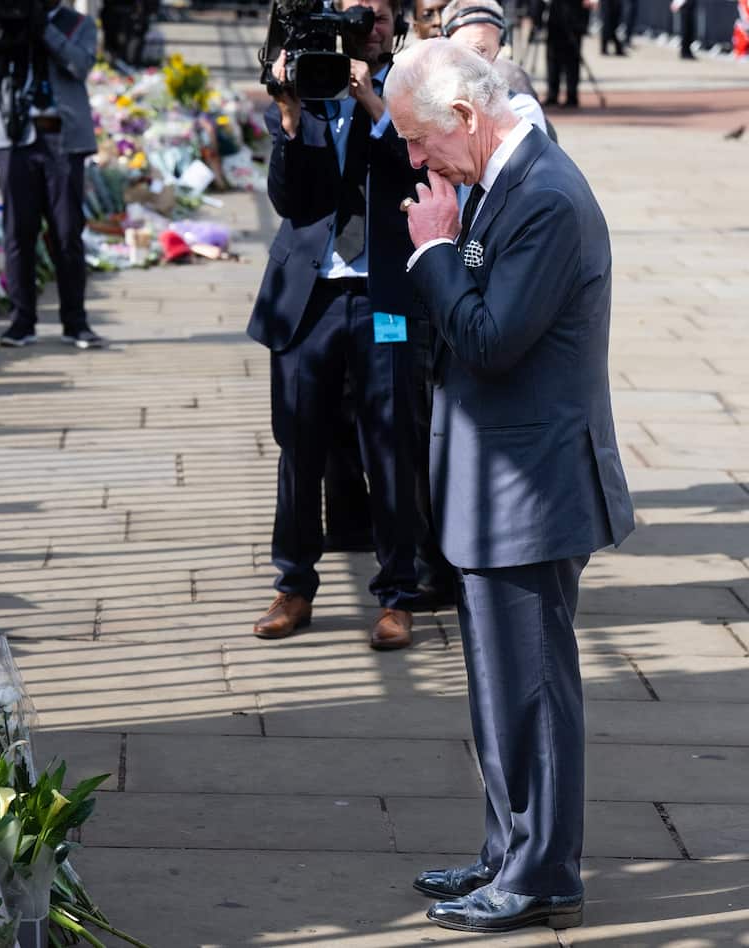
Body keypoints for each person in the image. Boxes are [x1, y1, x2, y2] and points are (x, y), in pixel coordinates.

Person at [386, 39, 635, 933]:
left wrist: (433, 254)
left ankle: (542, 873)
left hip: (532, 487)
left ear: (464, 116)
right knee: (500, 688)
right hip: (499, 482)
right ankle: (508, 853)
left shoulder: (548, 197)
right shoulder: (507, 178)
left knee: (530, 689)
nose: (416, 161)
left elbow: (491, 339)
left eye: (419, 140)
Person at [247, 0, 425, 649]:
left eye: (375, 14)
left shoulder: (409, 92)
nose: (365, 25)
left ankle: (400, 592)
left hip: (384, 299)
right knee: (300, 445)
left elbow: (419, 177)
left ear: (391, 26)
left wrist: (373, 104)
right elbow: (292, 202)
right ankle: (294, 586)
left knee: (392, 441)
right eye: (355, 11)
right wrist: (292, 113)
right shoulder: (306, 88)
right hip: (311, 298)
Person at [0, 0, 106, 349]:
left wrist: (43, 28)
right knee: (18, 231)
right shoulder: (10, 19)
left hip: (63, 138)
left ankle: (75, 322)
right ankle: (21, 322)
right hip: (15, 137)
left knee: (66, 231)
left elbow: (79, 65)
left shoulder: (77, 24)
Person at [441, 0, 548, 131]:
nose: (472, 60)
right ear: (445, 43)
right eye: (463, 49)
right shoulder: (423, 98)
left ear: (498, 50)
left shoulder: (521, 109)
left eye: (480, 50)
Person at [543, 0, 591, 108]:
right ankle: (552, 94)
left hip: (575, 14)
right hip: (556, 13)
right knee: (553, 56)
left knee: (572, 58)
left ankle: (571, 94)